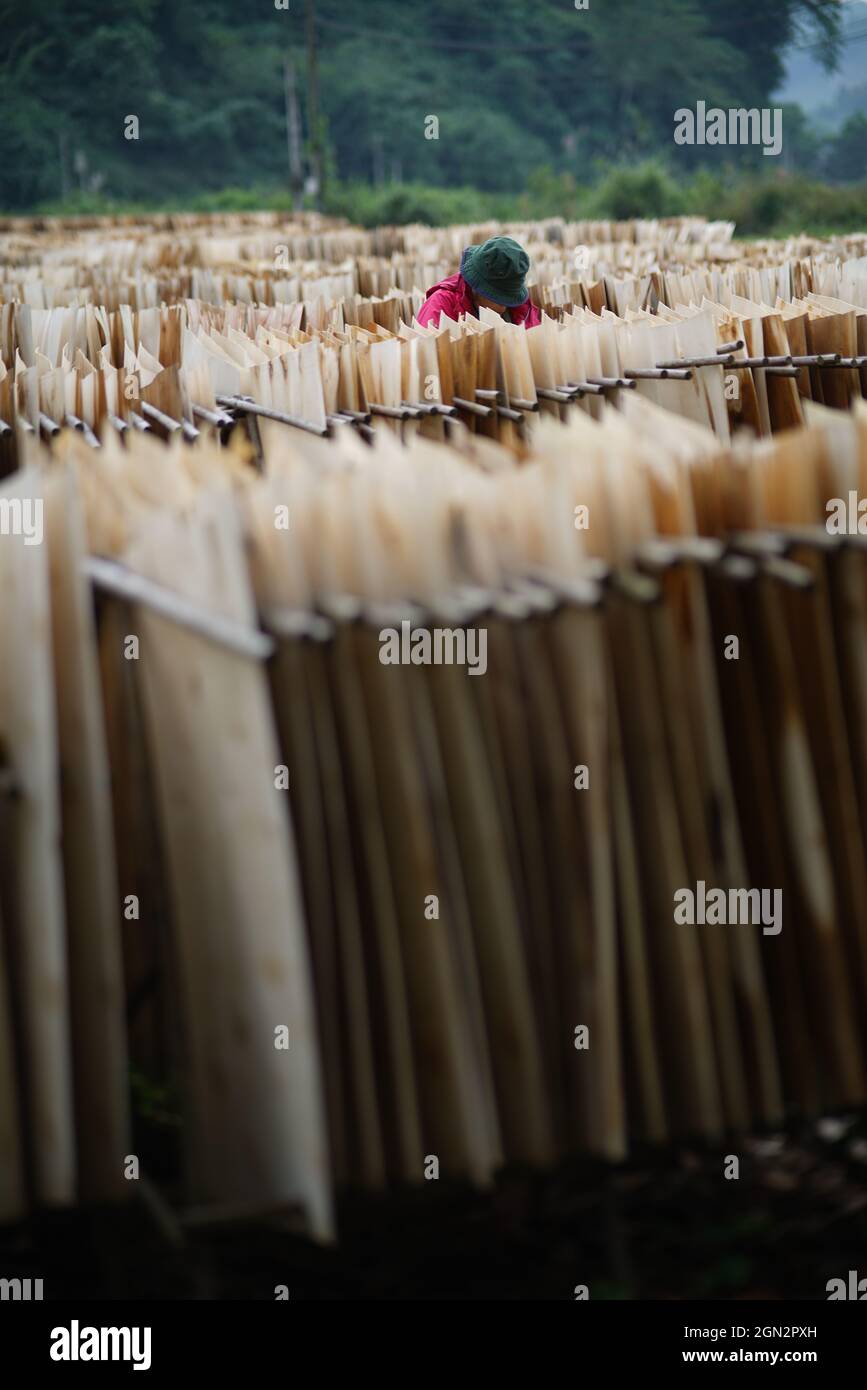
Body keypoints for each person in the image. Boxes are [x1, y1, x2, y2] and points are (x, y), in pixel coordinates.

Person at [417, 235, 541, 329]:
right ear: (476, 288)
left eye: (509, 299)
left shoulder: (521, 309)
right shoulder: (441, 306)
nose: (504, 308)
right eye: (499, 299)